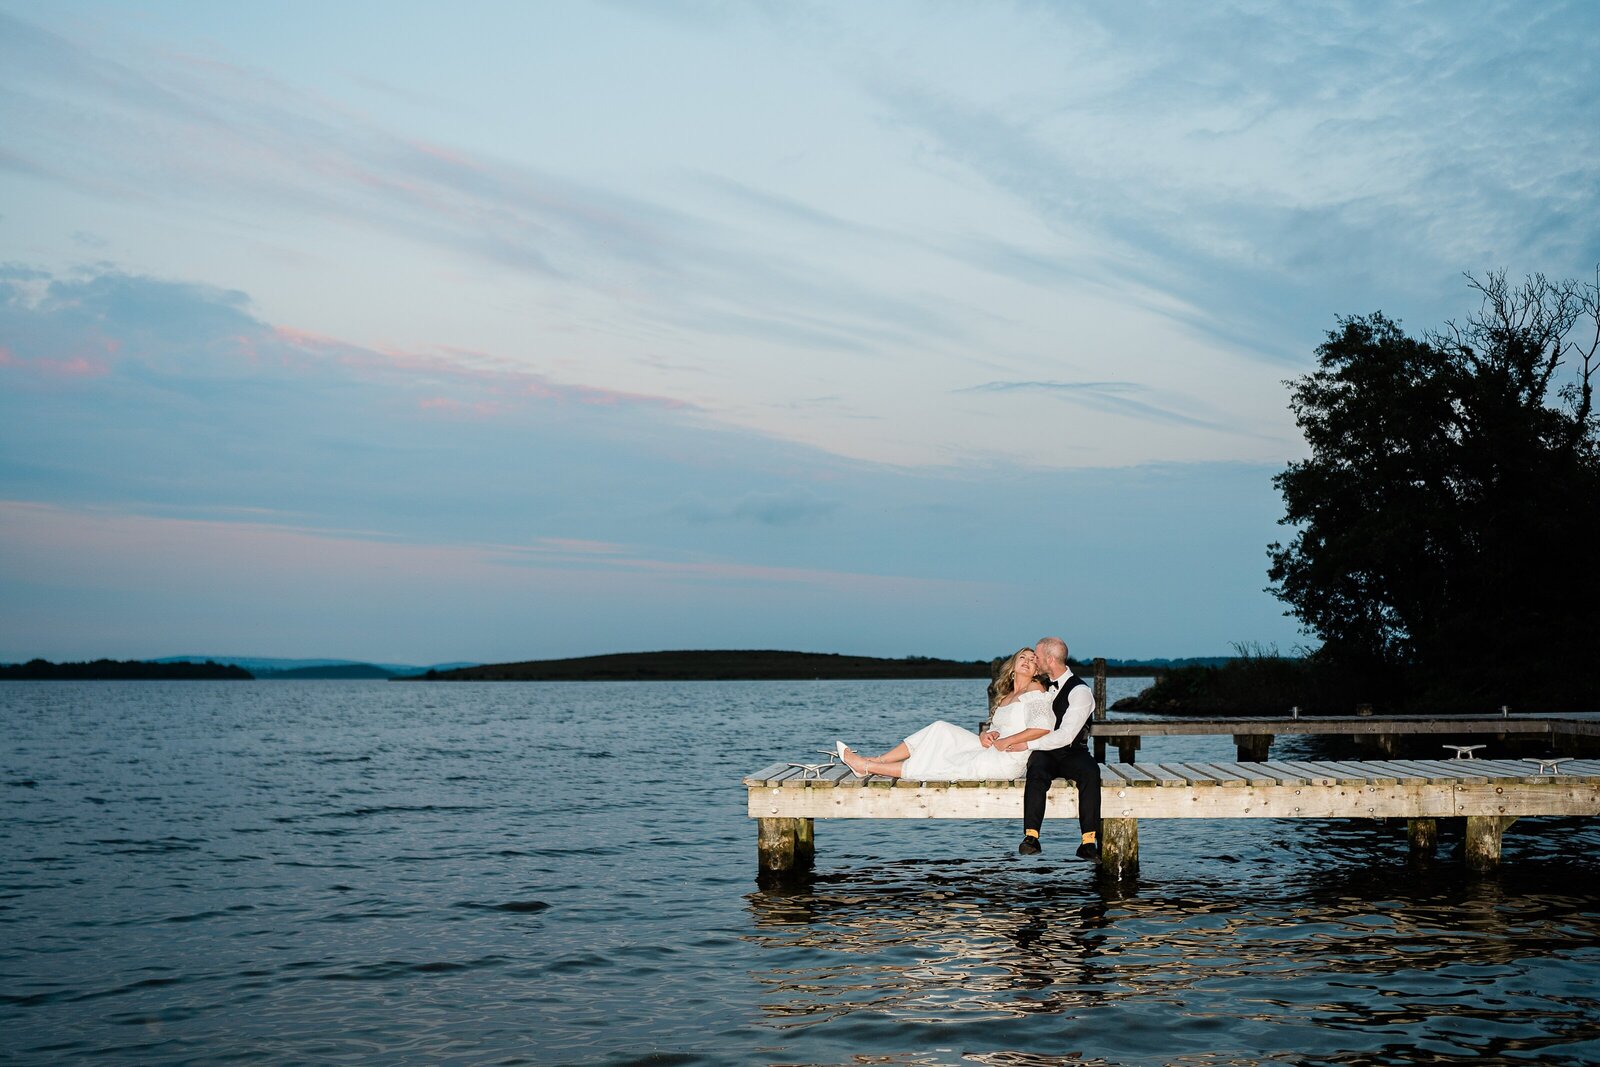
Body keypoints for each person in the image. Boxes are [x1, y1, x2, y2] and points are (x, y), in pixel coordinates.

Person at [837, 648, 1053, 780]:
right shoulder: (1006, 696)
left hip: (1008, 758)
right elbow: (999, 729)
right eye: (1022, 657)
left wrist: (1007, 741)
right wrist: (988, 735)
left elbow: (1042, 727)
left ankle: (867, 767)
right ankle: (879, 759)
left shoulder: (1035, 689)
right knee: (941, 729)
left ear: (1036, 671)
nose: (1027, 661)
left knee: (943, 763)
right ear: (1013, 666)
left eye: (1033, 660)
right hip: (994, 748)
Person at [1018, 636, 1101, 861]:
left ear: (1051, 659)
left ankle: (1088, 841)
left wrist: (1027, 743)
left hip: (1074, 751)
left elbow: (1066, 735)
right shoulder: (1043, 685)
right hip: (1046, 752)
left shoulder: (1080, 691)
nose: (1035, 659)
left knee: (1091, 773)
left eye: (1037, 655)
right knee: (1036, 769)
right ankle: (1031, 836)